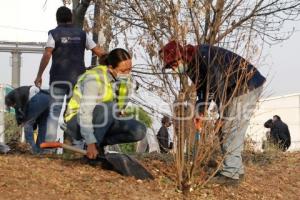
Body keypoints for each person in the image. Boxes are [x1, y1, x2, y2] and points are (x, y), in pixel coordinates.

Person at [159, 41, 266, 185]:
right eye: (170, 66)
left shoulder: (203, 55)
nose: (174, 69)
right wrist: (200, 112)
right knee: (224, 129)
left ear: (181, 56)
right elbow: (203, 88)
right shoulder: (192, 65)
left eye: (173, 64)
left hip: (245, 85)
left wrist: (221, 115)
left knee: (230, 128)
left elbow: (218, 82)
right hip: (232, 90)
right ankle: (235, 170)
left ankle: (231, 175)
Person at [34, 6, 105, 143]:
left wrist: (39, 75)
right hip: (78, 81)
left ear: (57, 19)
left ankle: (50, 145)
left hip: (58, 79)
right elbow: (98, 52)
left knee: (54, 112)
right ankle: (77, 145)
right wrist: (115, 61)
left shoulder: (53, 34)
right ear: (71, 18)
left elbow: (47, 54)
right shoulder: (82, 34)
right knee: (75, 112)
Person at [63, 48, 146, 159]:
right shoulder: (94, 78)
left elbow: (118, 106)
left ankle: (99, 145)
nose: (127, 74)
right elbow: (85, 114)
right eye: (123, 71)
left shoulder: (124, 81)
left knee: (139, 130)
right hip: (77, 121)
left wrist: (119, 113)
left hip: (101, 121)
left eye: (129, 69)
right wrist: (91, 142)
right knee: (110, 107)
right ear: (111, 68)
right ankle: (93, 148)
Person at [5, 86, 52, 153]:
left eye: (11, 106)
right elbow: (26, 111)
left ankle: (32, 150)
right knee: (42, 125)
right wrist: (20, 120)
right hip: (48, 98)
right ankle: (40, 151)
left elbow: (19, 108)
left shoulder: (10, 96)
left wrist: (21, 117)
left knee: (27, 124)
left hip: (38, 98)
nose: (12, 107)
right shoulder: (22, 97)